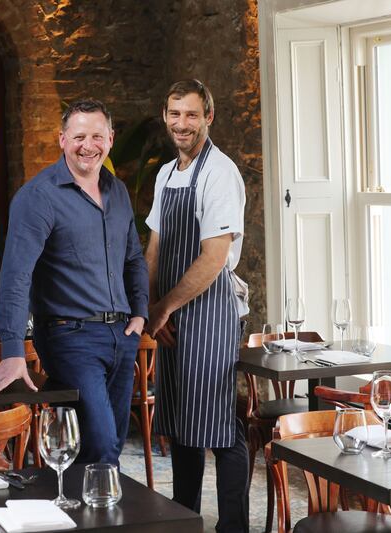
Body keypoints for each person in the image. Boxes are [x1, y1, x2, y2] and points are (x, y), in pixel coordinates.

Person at [0, 99, 149, 465]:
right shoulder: (37, 197)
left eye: (97, 136)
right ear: (61, 139)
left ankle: (89, 513)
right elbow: (15, 275)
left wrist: (139, 313)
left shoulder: (117, 191)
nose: (88, 145)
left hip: (122, 336)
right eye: (79, 137)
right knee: (101, 442)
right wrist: (12, 350)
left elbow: (133, 257)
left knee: (111, 443)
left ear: (111, 139)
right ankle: (97, 515)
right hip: (69, 337)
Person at [144, 79, 249, 531]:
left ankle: (234, 527)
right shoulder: (166, 174)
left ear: (208, 117)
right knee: (183, 427)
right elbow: (154, 248)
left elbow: (214, 257)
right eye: (174, 113)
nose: (181, 123)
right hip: (170, 316)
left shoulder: (219, 173)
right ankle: (184, 520)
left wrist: (163, 307)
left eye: (190, 114)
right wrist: (149, 305)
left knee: (220, 427)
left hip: (210, 318)